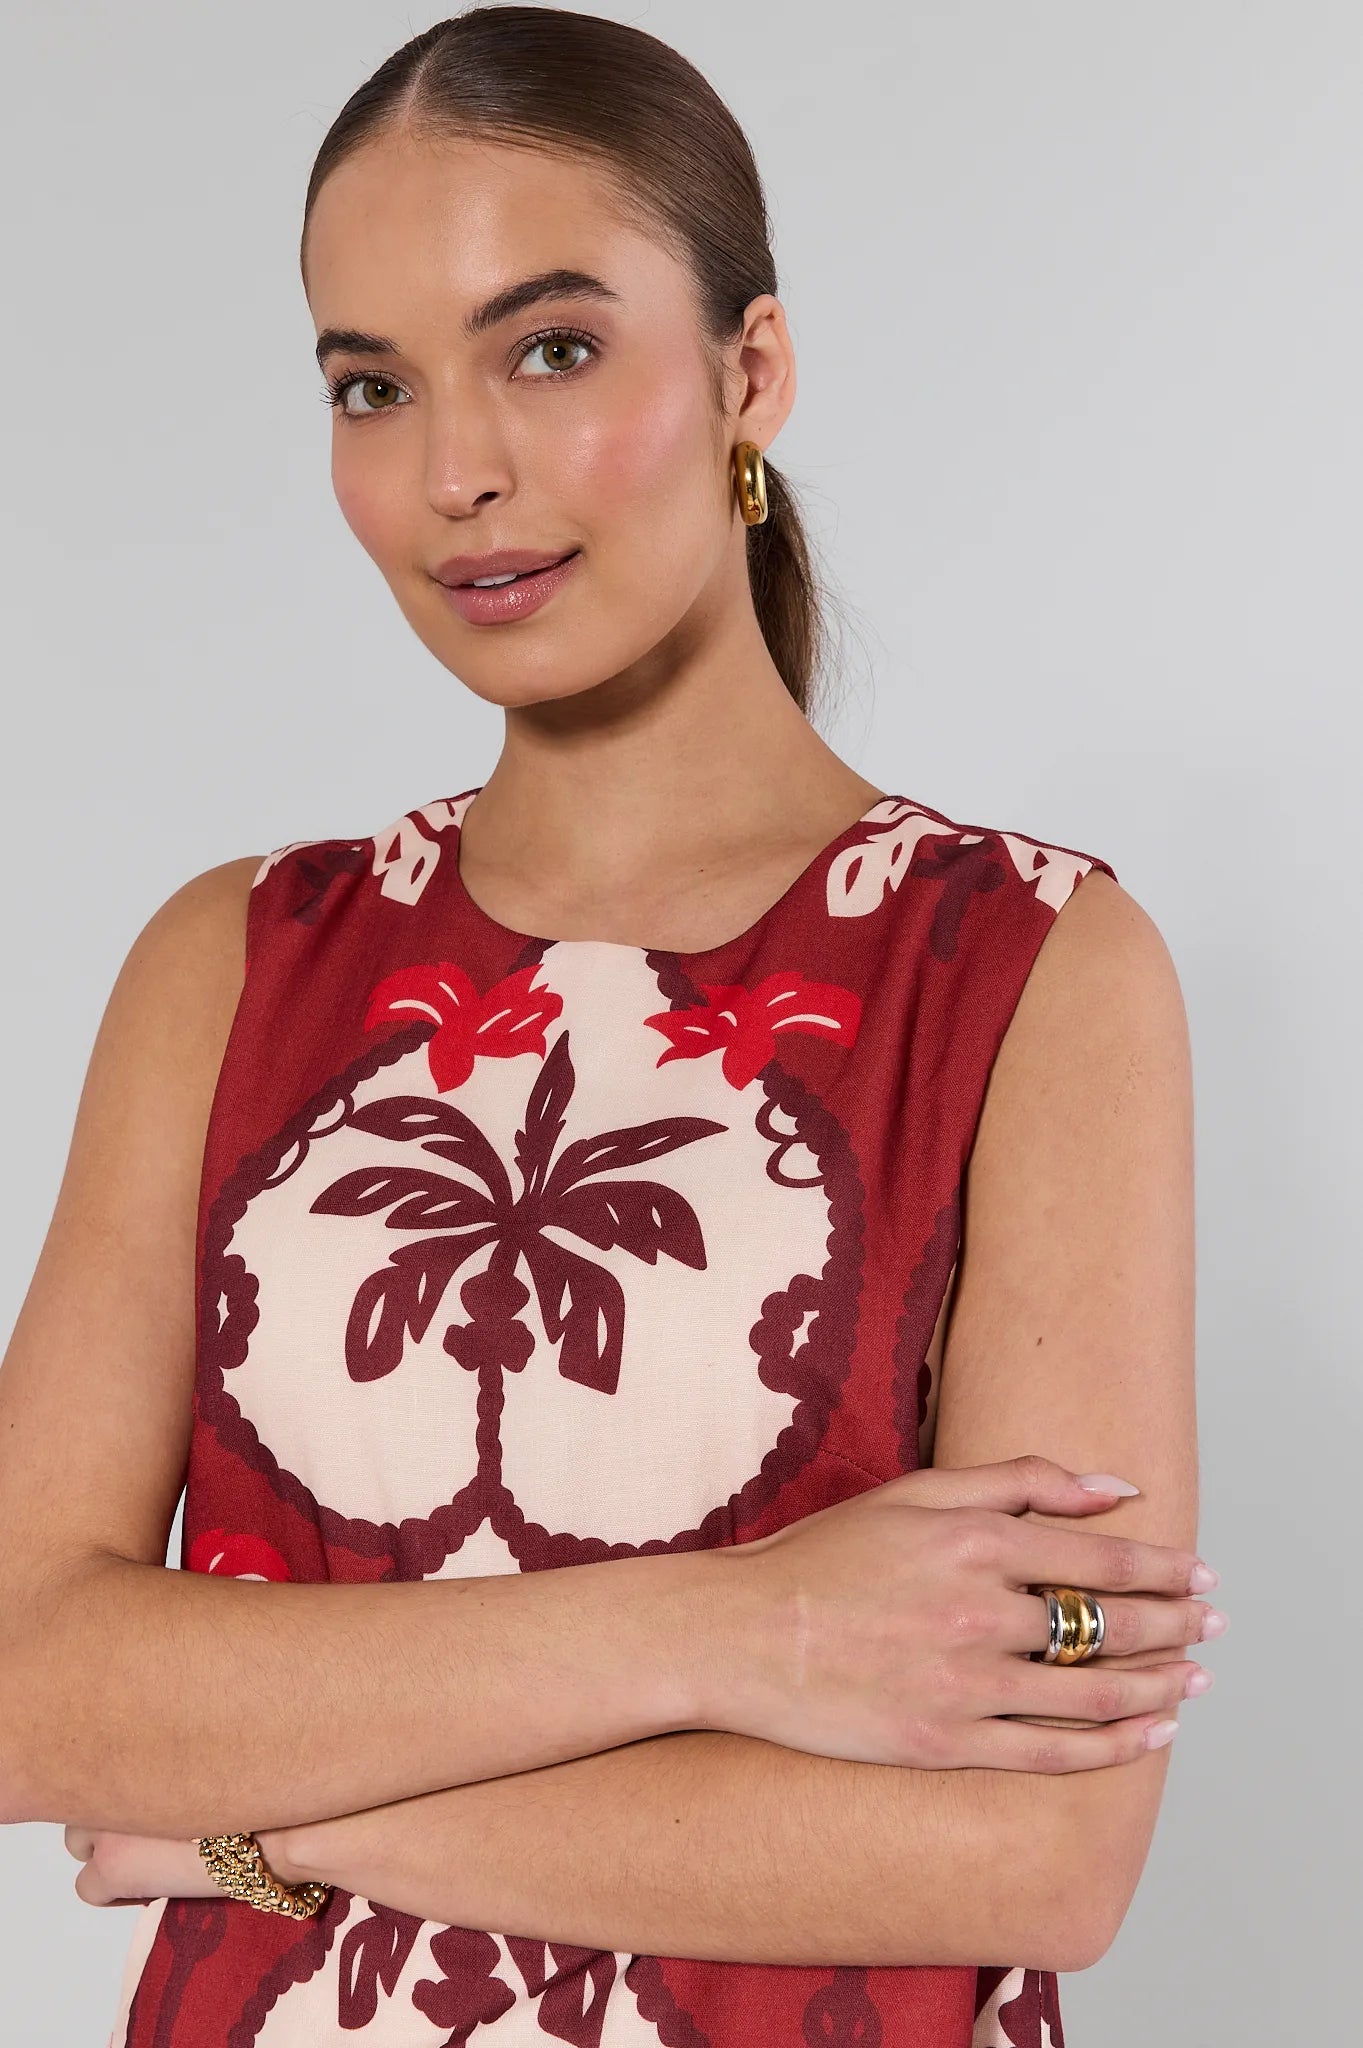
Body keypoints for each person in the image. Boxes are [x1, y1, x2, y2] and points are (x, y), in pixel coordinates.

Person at [0, 9, 1221, 2046]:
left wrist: (261, 1822)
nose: (454, 467)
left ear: (750, 370)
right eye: (370, 385)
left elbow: (1040, 1856)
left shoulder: (1033, 969)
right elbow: (29, 1687)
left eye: (547, 346)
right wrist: (748, 1634)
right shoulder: (226, 962)